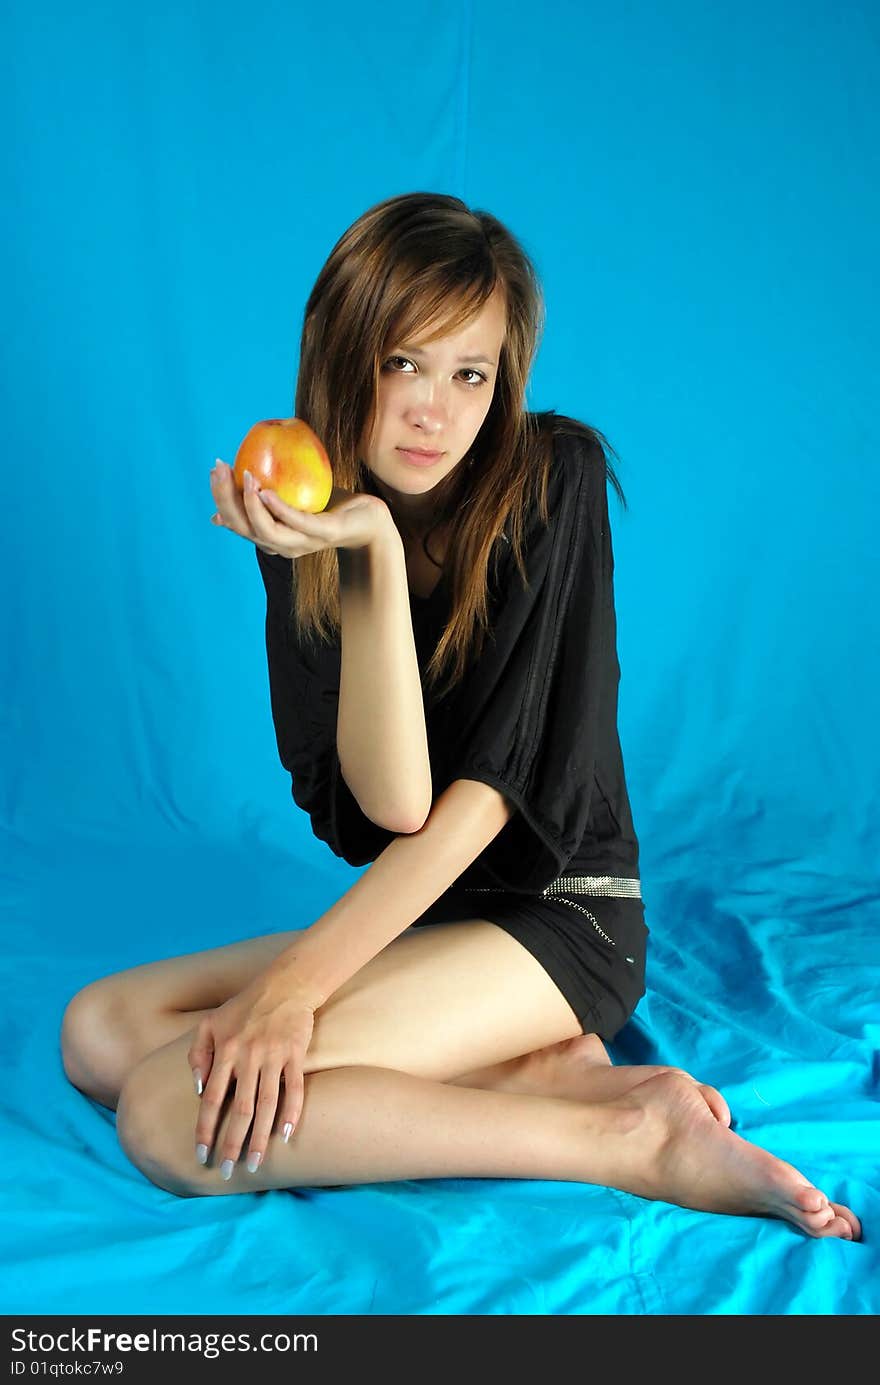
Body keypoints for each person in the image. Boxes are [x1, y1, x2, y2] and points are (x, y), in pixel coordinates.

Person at [61, 192, 859, 1241]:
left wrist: (298, 989)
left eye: (468, 373)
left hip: (560, 915)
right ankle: (538, 1075)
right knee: (100, 1030)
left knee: (170, 1113)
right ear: (342, 356)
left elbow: (485, 801)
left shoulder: (550, 475)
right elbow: (389, 807)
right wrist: (371, 556)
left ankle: (628, 1139)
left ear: (502, 381)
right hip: (429, 909)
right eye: (403, 364)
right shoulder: (304, 521)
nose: (433, 410)